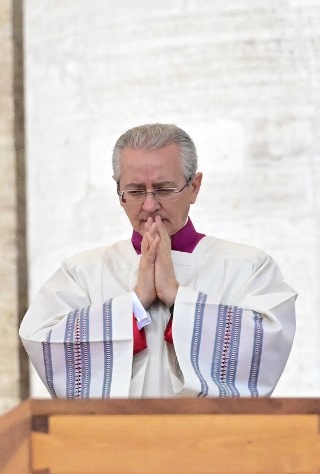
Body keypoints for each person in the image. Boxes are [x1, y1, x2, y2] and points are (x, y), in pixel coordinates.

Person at [19, 122, 296, 398]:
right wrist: (135, 304)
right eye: (136, 191)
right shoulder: (82, 273)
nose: (150, 205)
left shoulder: (248, 267)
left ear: (194, 187)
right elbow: (42, 340)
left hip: (211, 437)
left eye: (163, 189)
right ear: (119, 194)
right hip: (115, 439)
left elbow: (266, 342)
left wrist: (177, 297)